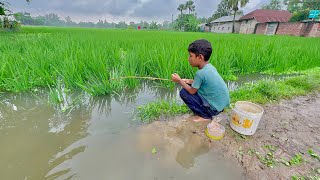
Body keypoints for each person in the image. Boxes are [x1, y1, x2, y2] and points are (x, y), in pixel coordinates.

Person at [171, 39, 230, 122]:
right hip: (221, 105)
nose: (188, 59)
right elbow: (204, 81)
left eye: (191, 56)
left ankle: (205, 116)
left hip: (214, 109)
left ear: (200, 57)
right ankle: (210, 111)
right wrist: (189, 81)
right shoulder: (210, 67)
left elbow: (192, 92)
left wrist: (179, 81)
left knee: (184, 92)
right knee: (191, 86)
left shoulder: (200, 73)